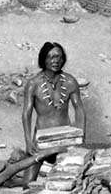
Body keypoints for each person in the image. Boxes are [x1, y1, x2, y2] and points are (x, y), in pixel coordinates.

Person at [22, 41, 85, 180]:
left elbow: (79, 109)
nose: (55, 61)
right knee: (28, 182)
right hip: (41, 139)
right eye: (51, 57)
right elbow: (26, 114)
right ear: (43, 59)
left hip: (65, 138)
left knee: (68, 179)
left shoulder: (70, 82)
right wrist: (28, 142)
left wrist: (80, 134)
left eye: (58, 57)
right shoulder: (34, 84)